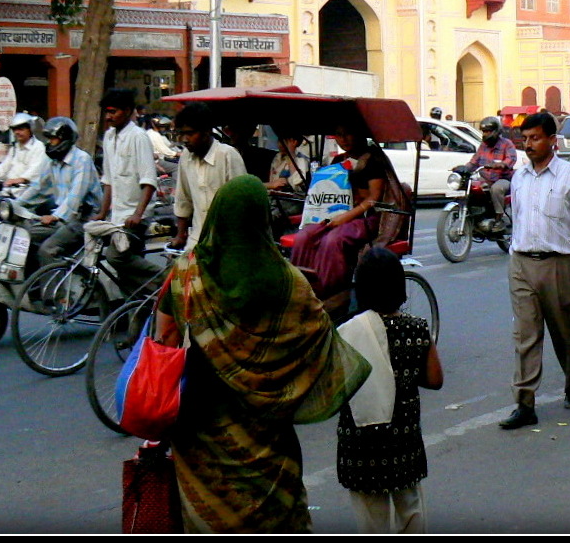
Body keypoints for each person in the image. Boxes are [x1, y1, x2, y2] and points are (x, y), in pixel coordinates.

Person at [153, 175, 371, 533]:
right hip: (267, 435)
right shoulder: (288, 282)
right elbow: (319, 337)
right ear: (261, 219)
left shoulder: (187, 273)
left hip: (200, 428)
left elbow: (165, 337)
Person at [499, 112, 570, 430]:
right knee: (526, 335)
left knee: (566, 333)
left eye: (535, 138)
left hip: (560, 265)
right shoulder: (520, 177)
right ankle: (525, 403)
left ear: (551, 141)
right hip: (522, 264)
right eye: (525, 139)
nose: (528, 145)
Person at [336, 247, 444, 533]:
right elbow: (435, 379)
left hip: (361, 444)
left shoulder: (346, 333)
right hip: (403, 441)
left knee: (372, 517)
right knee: (411, 507)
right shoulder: (417, 329)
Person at [290, 122, 394, 299]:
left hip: (366, 217)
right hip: (335, 215)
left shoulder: (373, 160)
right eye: (339, 134)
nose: (343, 139)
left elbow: (373, 198)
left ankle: (330, 293)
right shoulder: (338, 161)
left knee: (332, 241)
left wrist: (346, 217)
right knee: (304, 237)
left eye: (348, 134)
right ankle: (299, 289)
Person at [94, 88, 165, 297]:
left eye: (113, 112)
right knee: (124, 275)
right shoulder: (108, 137)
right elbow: (108, 179)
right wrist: (102, 212)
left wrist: (138, 214)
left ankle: (165, 279)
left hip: (136, 216)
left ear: (126, 111)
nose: (108, 117)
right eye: (106, 112)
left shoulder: (138, 137)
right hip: (116, 216)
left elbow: (149, 181)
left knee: (116, 257)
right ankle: (139, 309)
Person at [13, 116, 103, 267]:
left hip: (84, 219)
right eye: (48, 139)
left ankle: (54, 290)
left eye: (53, 139)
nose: (49, 143)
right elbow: (38, 187)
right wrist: (15, 205)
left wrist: (55, 216)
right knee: (22, 236)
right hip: (63, 218)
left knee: (47, 250)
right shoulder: (51, 160)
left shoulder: (82, 159)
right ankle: (33, 285)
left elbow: (76, 196)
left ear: (65, 139)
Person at [168, 101, 248, 253]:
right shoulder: (186, 157)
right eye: (182, 134)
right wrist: (180, 235)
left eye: (190, 133)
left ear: (206, 131)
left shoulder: (227, 155)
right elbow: (183, 199)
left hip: (227, 243)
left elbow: (241, 204)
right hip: (197, 240)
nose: (185, 139)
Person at [454, 115, 516, 232]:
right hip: (486, 179)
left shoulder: (507, 144)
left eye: (488, 131)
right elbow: (474, 161)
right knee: (471, 187)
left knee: (496, 189)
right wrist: (464, 168)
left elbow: (511, 159)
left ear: (496, 131)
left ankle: (499, 219)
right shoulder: (483, 146)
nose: (485, 134)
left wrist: (502, 164)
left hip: (503, 179)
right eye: (483, 131)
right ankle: (475, 216)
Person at [0, 112, 47, 189]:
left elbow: (35, 169)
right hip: (10, 191)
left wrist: (20, 179)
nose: (17, 132)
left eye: (21, 129)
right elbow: (4, 167)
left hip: (28, 193)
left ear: (30, 130)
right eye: (15, 130)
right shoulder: (15, 148)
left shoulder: (38, 147)